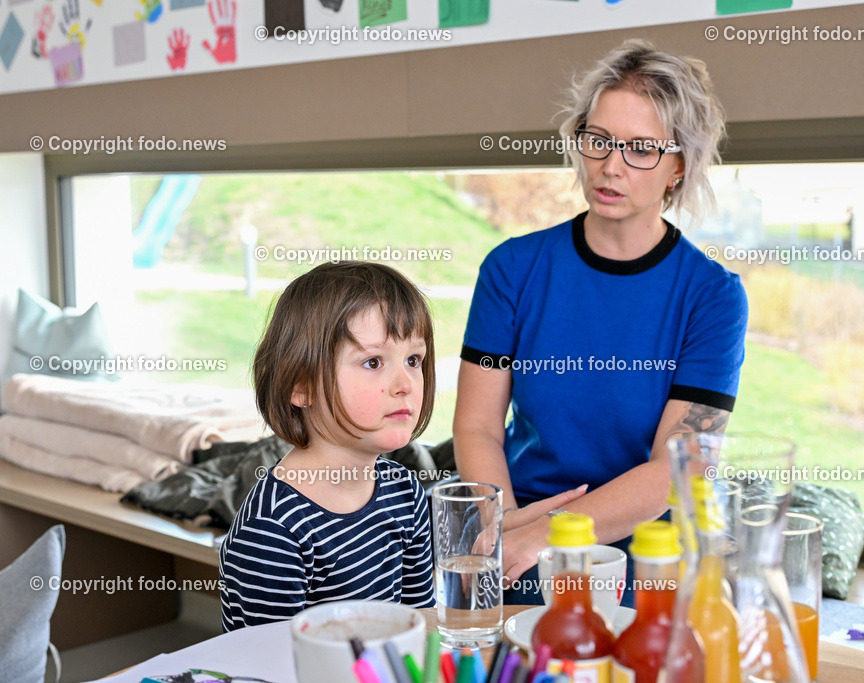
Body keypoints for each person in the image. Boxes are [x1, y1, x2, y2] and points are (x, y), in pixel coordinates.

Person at [453, 39, 747, 605]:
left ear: (678, 165)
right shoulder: (511, 270)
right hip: (516, 534)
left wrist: (547, 537)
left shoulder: (714, 298)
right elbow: (478, 428)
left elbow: (677, 470)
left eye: (640, 148)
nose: (611, 165)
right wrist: (512, 530)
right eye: (599, 140)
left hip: (650, 563)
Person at [220, 261, 436, 630]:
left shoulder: (405, 492)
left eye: (413, 359)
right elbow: (273, 667)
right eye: (373, 362)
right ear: (300, 386)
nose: (406, 384)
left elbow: (421, 630)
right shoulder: (274, 529)